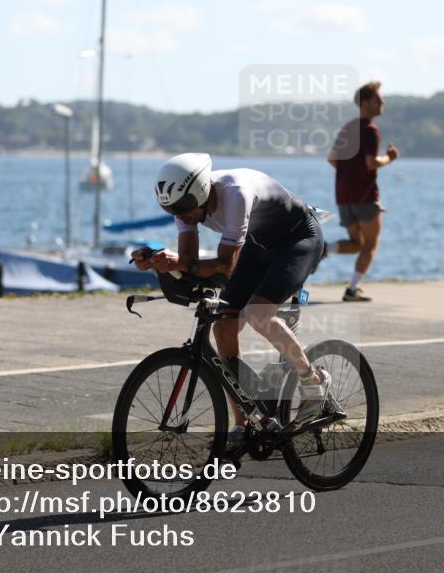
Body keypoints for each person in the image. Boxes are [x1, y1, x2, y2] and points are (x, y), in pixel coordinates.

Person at [131, 153, 337, 440]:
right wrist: (158, 261)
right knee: (223, 327)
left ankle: (314, 382)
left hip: (298, 239)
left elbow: (225, 266)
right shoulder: (185, 206)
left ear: (200, 192)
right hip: (258, 244)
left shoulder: (236, 194)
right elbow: (190, 262)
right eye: (170, 210)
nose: (179, 215)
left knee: (258, 314)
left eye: (183, 208)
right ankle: (244, 422)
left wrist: (179, 261)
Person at [327, 80, 400, 301]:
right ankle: (352, 290)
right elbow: (371, 163)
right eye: (378, 99)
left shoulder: (348, 128)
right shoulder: (370, 130)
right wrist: (389, 158)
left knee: (356, 244)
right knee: (370, 244)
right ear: (366, 103)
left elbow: (332, 159)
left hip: (343, 195)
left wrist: (349, 175)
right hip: (365, 196)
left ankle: (323, 250)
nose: (383, 101)